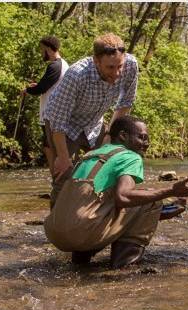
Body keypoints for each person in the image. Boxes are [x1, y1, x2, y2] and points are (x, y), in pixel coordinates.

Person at [44, 115, 188, 269]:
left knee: (90, 208)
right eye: (142, 137)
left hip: (55, 233)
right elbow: (123, 197)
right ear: (123, 136)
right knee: (151, 200)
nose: (146, 143)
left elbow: (88, 201)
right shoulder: (130, 156)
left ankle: (80, 262)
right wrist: (170, 190)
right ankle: (124, 265)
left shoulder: (90, 154)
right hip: (83, 231)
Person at [43, 33, 138, 208]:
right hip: (64, 124)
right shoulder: (77, 74)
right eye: (110, 67)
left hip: (94, 122)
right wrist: (63, 156)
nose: (117, 73)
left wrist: (110, 134)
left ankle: (93, 217)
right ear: (96, 61)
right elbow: (58, 121)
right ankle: (57, 225)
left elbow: (125, 103)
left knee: (106, 167)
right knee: (64, 175)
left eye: (120, 66)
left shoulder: (131, 66)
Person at [22, 36, 69, 173]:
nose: (41, 53)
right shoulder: (63, 65)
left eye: (42, 49)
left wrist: (27, 90)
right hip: (56, 113)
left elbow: (41, 89)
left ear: (48, 49)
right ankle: (58, 179)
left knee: (50, 147)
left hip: (51, 114)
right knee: (50, 146)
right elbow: (49, 85)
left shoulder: (54, 66)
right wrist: (38, 86)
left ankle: (57, 178)